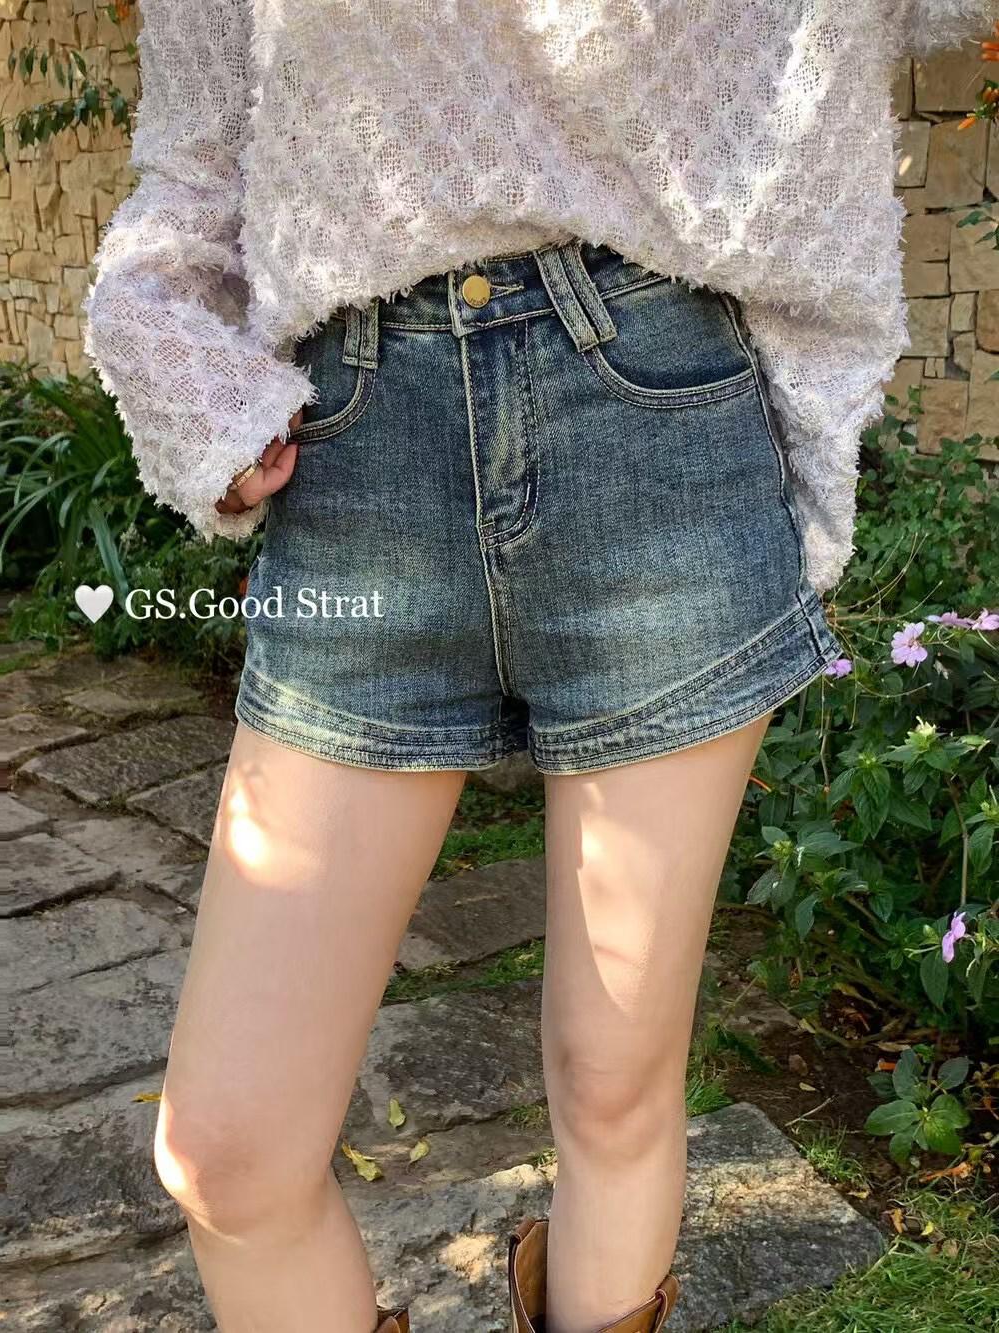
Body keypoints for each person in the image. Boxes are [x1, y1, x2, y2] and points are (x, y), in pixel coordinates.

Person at [84, 3, 991, 1330]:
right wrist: (195, 390)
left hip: (654, 421)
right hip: (360, 456)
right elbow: (195, 168)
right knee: (228, 1151)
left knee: (616, 1086)